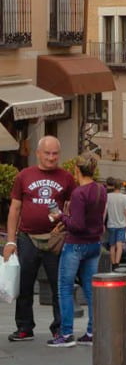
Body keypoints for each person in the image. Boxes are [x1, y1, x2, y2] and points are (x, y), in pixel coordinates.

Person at [3, 136, 75, 343]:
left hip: (55, 239)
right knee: (24, 284)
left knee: (58, 285)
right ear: (38, 153)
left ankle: (59, 328)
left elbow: (72, 206)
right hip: (28, 238)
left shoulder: (67, 178)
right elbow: (15, 209)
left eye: (55, 154)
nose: (51, 158)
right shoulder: (24, 176)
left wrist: (66, 224)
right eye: (47, 153)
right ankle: (24, 327)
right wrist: (11, 241)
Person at [47, 153, 106, 348]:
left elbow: (77, 225)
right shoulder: (101, 189)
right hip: (94, 244)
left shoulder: (78, 193)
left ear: (77, 170)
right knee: (90, 289)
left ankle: (66, 334)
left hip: (76, 244)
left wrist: (60, 216)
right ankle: (92, 332)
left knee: (65, 288)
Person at [104, 178, 126, 268]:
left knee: (112, 245)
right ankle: (117, 264)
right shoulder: (124, 197)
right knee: (119, 245)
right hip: (121, 224)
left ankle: (113, 263)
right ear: (121, 187)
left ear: (113, 186)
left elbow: (105, 211)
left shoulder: (108, 196)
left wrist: (102, 222)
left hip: (111, 224)